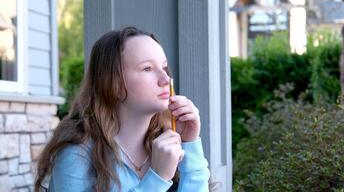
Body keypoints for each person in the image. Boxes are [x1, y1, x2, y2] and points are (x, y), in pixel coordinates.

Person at [34, 26, 211, 192]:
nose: (165, 78)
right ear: (114, 82)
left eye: (164, 67)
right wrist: (157, 178)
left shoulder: (165, 142)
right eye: (148, 68)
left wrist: (190, 143)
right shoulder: (77, 154)